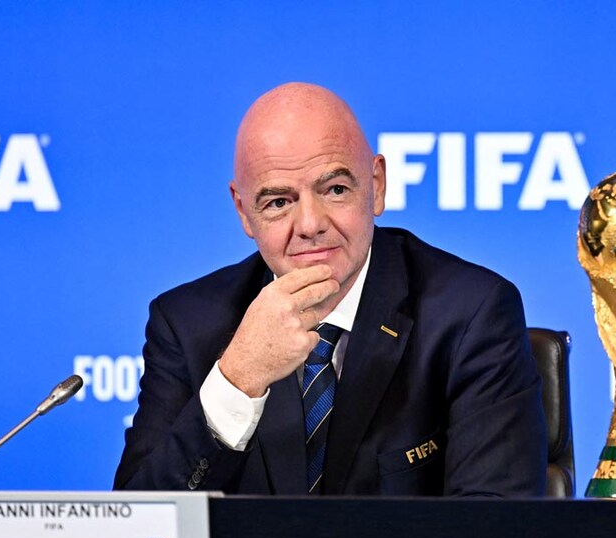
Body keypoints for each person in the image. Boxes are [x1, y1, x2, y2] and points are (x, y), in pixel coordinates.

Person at [114, 82, 546, 496]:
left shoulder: (471, 314)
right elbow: (139, 524)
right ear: (244, 212)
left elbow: (495, 525)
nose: (310, 225)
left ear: (376, 185)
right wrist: (238, 378)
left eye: (335, 189)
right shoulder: (187, 324)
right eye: (278, 202)